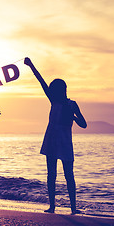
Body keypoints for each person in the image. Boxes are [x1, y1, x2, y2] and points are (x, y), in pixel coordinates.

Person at [24, 57, 87, 215]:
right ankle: (52, 206)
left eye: (55, 89)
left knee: (68, 176)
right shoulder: (54, 101)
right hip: (52, 141)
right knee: (51, 174)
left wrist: (72, 117)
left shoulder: (72, 104)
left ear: (62, 90)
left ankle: (73, 207)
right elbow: (41, 81)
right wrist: (31, 65)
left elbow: (84, 124)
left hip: (65, 143)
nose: (52, 91)